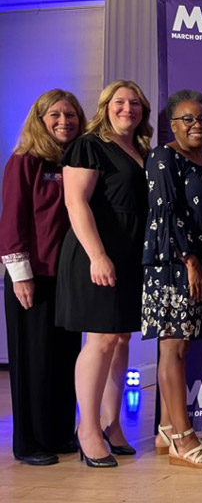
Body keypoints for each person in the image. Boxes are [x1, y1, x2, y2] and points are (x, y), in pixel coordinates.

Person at [56, 80, 151, 467]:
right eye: (119, 102)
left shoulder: (141, 150)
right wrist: (97, 255)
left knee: (121, 338)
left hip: (130, 255)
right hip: (96, 252)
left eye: (135, 103)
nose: (128, 108)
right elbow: (75, 202)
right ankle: (88, 430)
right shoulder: (89, 145)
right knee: (101, 339)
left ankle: (112, 424)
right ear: (105, 107)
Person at [0, 89, 86, 466]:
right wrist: (20, 275)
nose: (64, 121)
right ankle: (29, 442)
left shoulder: (77, 161)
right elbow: (12, 219)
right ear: (40, 119)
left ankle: (59, 433)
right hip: (32, 277)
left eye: (71, 115)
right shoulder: (25, 160)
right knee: (32, 360)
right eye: (55, 115)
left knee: (63, 358)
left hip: (68, 278)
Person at [141, 90, 202, 468]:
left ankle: (166, 429)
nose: (197, 125)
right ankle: (182, 438)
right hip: (173, 265)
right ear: (172, 125)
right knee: (173, 348)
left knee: (182, 347)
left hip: (198, 264)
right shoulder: (164, 156)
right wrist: (189, 260)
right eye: (188, 119)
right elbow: (167, 211)